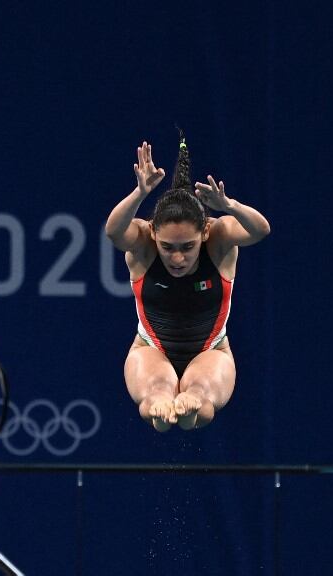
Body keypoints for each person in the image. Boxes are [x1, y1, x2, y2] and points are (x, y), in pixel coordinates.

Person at [104, 132, 270, 431]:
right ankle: (162, 408)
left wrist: (230, 205)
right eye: (167, 247)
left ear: (204, 232)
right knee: (156, 393)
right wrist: (139, 193)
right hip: (150, 348)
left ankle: (190, 405)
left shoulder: (219, 239)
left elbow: (260, 230)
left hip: (212, 350)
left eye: (188, 247)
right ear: (153, 232)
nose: (177, 258)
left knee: (200, 394)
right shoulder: (143, 245)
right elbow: (114, 232)